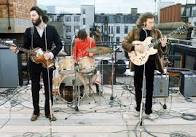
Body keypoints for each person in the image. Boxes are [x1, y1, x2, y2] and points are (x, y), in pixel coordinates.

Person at [10, 6, 62, 121]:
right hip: (33, 63)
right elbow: (25, 47)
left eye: (34, 15)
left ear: (40, 15)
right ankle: (36, 111)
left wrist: (52, 54)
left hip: (47, 62)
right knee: (34, 87)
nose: (32, 18)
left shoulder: (51, 29)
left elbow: (59, 45)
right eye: (31, 16)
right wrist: (17, 50)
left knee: (48, 88)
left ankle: (49, 112)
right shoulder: (29, 31)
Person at [122, 12, 167, 119]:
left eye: (153, 22)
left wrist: (164, 45)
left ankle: (148, 111)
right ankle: (138, 109)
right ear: (144, 22)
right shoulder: (135, 31)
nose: (152, 24)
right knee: (138, 86)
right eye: (150, 22)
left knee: (150, 87)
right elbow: (124, 43)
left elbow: (161, 51)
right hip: (138, 62)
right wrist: (135, 48)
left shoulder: (157, 33)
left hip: (151, 62)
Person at [72, 29, 100, 94]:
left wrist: (92, 53)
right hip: (80, 61)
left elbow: (95, 51)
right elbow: (74, 52)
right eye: (80, 39)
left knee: (95, 73)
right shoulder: (76, 41)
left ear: (85, 37)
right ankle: (82, 86)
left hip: (89, 60)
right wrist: (75, 60)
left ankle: (96, 85)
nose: (81, 40)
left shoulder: (91, 41)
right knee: (78, 72)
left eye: (82, 39)